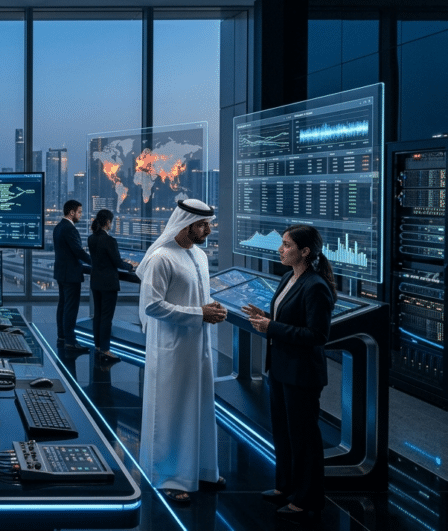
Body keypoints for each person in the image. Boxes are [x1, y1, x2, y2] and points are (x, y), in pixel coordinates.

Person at [242, 224, 335, 521]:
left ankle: (307, 500)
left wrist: (273, 327)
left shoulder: (316, 285)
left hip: (302, 373)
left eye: (286, 245)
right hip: (281, 369)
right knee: (283, 434)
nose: (280, 249)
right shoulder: (287, 278)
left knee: (304, 438)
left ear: (304, 251)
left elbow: (317, 335)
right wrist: (266, 317)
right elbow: (287, 319)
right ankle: (286, 488)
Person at [136, 198, 226, 503]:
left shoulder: (198, 255)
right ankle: (168, 477)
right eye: (202, 225)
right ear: (186, 224)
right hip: (171, 348)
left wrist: (210, 309)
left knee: (198, 406)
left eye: (208, 224)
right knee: (171, 410)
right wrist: (200, 314)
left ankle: (201, 469)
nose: (208, 230)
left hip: (198, 345)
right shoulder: (162, 258)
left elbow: (197, 296)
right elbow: (152, 305)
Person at [88, 209, 134, 363]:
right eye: (111, 221)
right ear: (108, 222)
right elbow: (117, 262)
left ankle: (98, 346)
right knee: (107, 318)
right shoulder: (109, 241)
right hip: (108, 284)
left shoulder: (91, 239)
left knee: (98, 316)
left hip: (96, 282)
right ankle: (106, 350)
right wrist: (132, 266)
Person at [53, 199, 92, 353]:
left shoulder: (58, 227)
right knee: (70, 308)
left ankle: (62, 336)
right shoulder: (70, 229)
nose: (81, 215)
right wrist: (94, 261)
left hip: (61, 273)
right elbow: (78, 251)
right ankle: (70, 341)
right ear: (71, 212)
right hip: (71, 275)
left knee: (62, 305)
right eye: (79, 212)